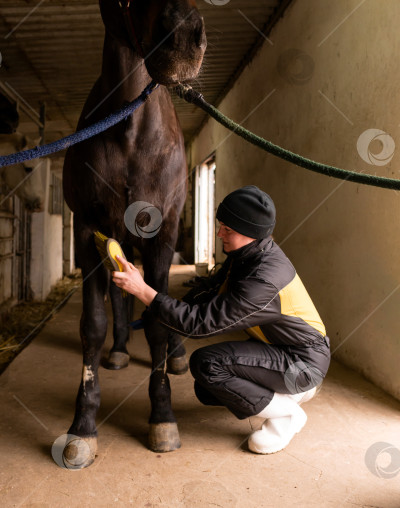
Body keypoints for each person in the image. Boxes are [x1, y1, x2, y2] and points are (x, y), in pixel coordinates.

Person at [112, 185, 330, 454]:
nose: (219, 234)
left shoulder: (263, 279)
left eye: (228, 229)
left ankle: (288, 415)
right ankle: (288, 395)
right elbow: (205, 294)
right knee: (207, 390)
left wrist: (143, 291)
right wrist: (156, 306)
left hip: (303, 363)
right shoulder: (246, 256)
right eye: (221, 226)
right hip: (283, 350)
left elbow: (200, 324)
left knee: (208, 364)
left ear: (249, 232)